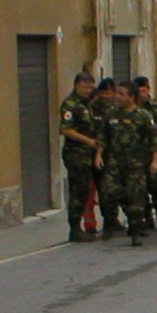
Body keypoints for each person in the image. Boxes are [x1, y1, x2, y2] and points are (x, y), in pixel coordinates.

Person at [98, 82, 157, 246]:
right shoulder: (111, 114)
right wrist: (99, 155)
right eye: (117, 93)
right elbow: (103, 137)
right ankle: (111, 222)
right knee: (109, 192)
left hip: (136, 164)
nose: (117, 97)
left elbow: (154, 140)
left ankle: (136, 230)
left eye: (121, 94)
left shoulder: (143, 116)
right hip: (114, 163)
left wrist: (154, 161)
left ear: (131, 97)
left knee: (136, 198)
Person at [57, 71, 99, 242]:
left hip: (88, 155)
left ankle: (83, 224)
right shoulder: (70, 104)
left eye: (90, 87)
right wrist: (88, 141)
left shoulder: (87, 104)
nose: (88, 90)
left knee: (85, 191)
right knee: (77, 190)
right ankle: (74, 227)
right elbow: (66, 129)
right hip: (76, 155)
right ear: (76, 85)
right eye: (85, 87)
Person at [134, 76, 157, 231]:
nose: (142, 94)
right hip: (136, 155)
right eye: (139, 91)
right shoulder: (132, 109)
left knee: (155, 186)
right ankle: (146, 217)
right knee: (139, 188)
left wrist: (155, 140)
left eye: (144, 90)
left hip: (153, 153)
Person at [91, 77, 124, 237]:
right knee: (105, 190)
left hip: (118, 155)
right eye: (102, 92)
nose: (105, 96)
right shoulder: (93, 108)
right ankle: (109, 221)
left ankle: (118, 218)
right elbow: (100, 135)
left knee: (119, 190)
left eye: (108, 93)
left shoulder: (118, 109)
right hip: (101, 155)